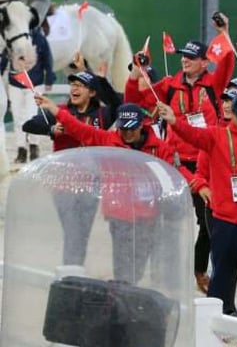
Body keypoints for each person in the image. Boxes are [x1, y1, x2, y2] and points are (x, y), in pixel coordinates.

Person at [156, 93, 237, 344]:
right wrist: (173, 121)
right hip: (224, 219)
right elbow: (192, 135)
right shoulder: (216, 136)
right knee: (222, 274)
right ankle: (210, 326)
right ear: (233, 115)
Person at [125, 17, 233, 293]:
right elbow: (136, 98)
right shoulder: (170, 85)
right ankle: (166, 270)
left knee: (208, 220)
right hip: (174, 161)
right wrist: (138, 70)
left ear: (204, 62)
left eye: (191, 57)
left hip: (205, 162)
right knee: (168, 220)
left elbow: (229, 63)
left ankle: (199, 269)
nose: (184, 60)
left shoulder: (213, 85)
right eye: (183, 56)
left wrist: (225, 33)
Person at [36, 98, 189, 283]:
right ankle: (122, 296)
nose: (127, 134)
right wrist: (55, 109)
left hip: (150, 218)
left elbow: (175, 173)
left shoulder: (160, 148)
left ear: (142, 125)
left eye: (132, 129)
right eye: (123, 129)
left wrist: (198, 185)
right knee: (124, 272)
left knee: (144, 268)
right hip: (120, 218)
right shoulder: (108, 140)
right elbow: (79, 129)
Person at [22, 67, 120, 268]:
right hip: (64, 185)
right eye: (72, 85)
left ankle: (73, 271)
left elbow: (119, 104)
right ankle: (71, 273)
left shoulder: (102, 114)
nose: (74, 89)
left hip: (91, 184)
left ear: (92, 92)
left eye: (80, 85)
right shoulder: (61, 111)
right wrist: (51, 130)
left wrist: (100, 78)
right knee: (74, 232)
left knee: (80, 233)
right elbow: (28, 125)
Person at [4, 20, 54, 163]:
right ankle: (21, 149)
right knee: (18, 117)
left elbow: (47, 59)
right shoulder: (11, 38)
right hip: (15, 83)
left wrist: (49, 78)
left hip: (35, 84)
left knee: (32, 115)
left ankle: (34, 146)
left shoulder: (39, 38)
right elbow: (5, 58)